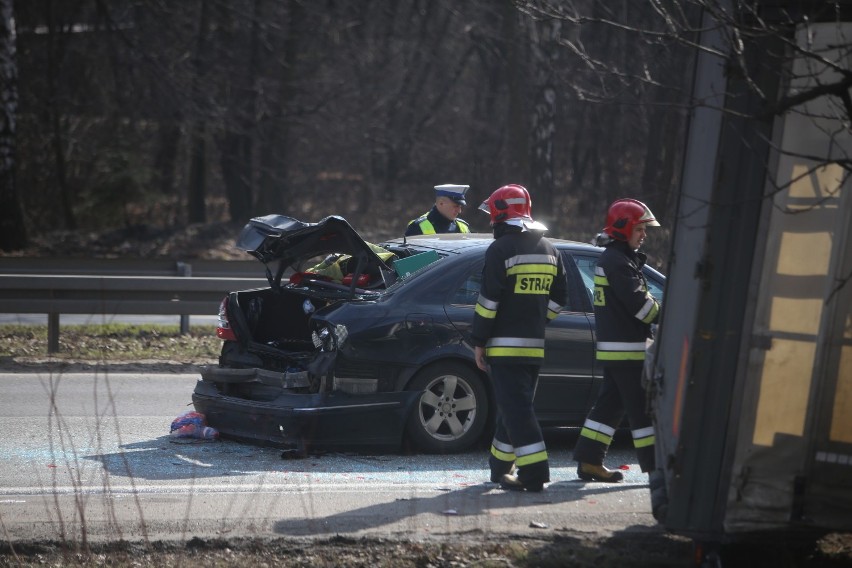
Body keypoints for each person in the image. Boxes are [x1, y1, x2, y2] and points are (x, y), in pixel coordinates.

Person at [471, 184, 569, 492]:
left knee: (518, 411)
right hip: (534, 348)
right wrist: (536, 320)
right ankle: (500, 469)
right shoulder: (550, 250)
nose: (490, 223)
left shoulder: (500, 250)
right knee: (512, 408)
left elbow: (488, 303)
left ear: (501, 214)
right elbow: (559, 300)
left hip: (503, 348)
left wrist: (479, 341)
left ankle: (534, 473)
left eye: (492, 215)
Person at [573, 198, 661, 483]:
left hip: (617, 350)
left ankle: (589, 461)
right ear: (624, 229)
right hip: (628, 351)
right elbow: (644, 309)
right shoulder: (618, 262)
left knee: (609, 407)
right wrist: (667, 311)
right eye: (640, 229)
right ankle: (657, 471)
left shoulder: (615, 258)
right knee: (642, 414)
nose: (644, 235)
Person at [404, 184, 471, 236]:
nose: (459, 211)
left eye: (460, 207)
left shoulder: (463, 227)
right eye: (456, 206)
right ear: (441, 203)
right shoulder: (417, 227)